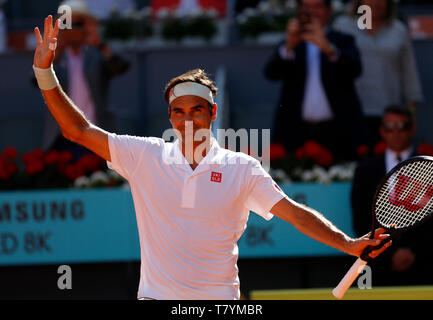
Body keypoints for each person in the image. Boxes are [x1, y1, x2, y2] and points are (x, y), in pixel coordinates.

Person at [32, 15, 390, 300]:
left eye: (197, 110)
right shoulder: (144, 155)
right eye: (180, 111)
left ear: (213, 112)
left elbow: (295, 214)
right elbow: (76, 130)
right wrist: (44, 72)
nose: (188, 119)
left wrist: (347, 243)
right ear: (170, 116)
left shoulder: (243, 169)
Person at [264, 0, 366, 162]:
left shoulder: (343, 40)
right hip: (297, 131)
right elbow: (271, 73)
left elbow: (355, 69)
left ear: (329, 10)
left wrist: (328, 48)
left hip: (338, 131)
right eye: (307, 7)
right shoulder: (292, 41)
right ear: (299, 10)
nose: (312, 12)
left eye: (317, 6)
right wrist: (289, 46)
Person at [351, 106, 433, 286]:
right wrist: (389, 254)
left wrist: (414, 252)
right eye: (390, 126)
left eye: (402, 126)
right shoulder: (365, 170)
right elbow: (360, 218)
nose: (396, 132)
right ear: (382, 131)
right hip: (378, 266)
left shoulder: (428, 168)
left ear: (412, 129)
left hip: (425, 267)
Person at [40, 0, 130, 159]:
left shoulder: (96, 55)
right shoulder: (54, 57)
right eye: (68, 23)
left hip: (96, 134)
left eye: (78, 23)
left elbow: (120, 68)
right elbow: (36, 80)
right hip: (61, 137)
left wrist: (99, 44)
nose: (73, 28)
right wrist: (56, 50)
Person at [333, 0, 423, 150]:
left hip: (389, 117)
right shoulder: (342, 26)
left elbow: (409, 74)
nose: (375, 3)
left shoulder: (398, 30)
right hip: (350, 114)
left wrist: (411, 115)